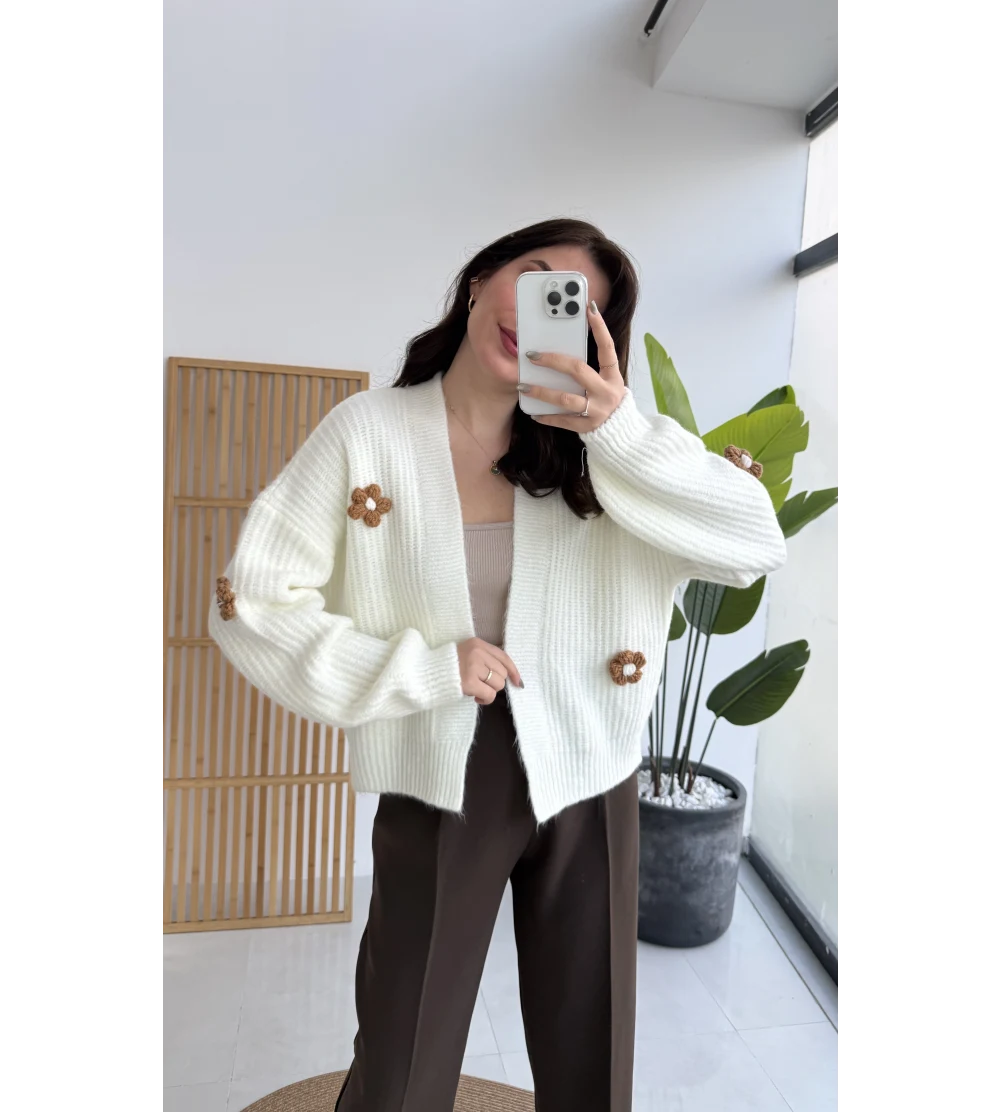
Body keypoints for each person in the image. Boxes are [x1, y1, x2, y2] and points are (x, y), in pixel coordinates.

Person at [208, 217, 787, 1111]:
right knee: (405, 1044)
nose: (546, 308)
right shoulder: (368, 433)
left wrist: (617, 431)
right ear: (481, 279)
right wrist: (421, 668)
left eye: (578, 305)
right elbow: (251, 599)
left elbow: (754, 543)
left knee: (590, 1040)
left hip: (590, 757)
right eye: (536, 274)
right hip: (444, 754)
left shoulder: (604, 448)